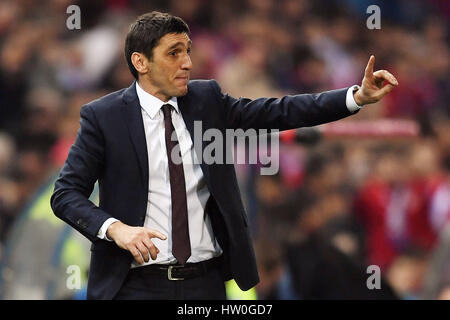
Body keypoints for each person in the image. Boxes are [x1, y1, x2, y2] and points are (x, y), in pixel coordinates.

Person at [50, 11, 398, 300]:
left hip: (206, 284)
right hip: (134, 285)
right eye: (174, 53)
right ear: (140, 61)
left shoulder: (207, 100)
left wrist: (354, 97)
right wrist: (116, 229)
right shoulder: (103, 116)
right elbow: (65, 195)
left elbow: (279, 111)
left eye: (188, 50)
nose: (187, 62)